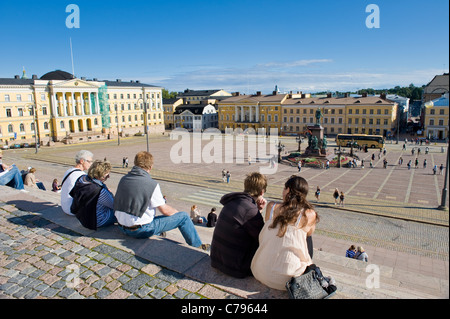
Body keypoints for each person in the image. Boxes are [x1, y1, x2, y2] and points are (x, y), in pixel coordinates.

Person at [114, 151, 209, 250]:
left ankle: (159, 233)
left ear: (135, 163)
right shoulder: (151, 184)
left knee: (152, 216)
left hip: (121, 227)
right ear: (150, 167)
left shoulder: (124, 179)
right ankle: (197, 246)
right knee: (184, 217)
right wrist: (177, 214)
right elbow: (165, 210)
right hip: (139, 231)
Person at [250, 175, 319, 290]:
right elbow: (309, 233)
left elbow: (269, 233)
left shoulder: (272, 206)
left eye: (284, 189)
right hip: (289, 281)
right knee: (307, 236)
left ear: (288, 190)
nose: (282, 192)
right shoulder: (310, 214)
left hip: (259, 271)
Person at [210, 172, 267, 278]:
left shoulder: (233, 201)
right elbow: (262, 237)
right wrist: (259, 212)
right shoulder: (250, 210)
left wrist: (257, 210)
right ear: (261, 192)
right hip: (236, 268)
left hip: (216, 260)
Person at [70, 160, 117, 230]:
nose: (109, 177)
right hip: (96, 221)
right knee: (122, 213)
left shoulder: (82, 179)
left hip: (82, 217)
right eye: (106, 175)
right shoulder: (100, 191)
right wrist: (109, 193)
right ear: (99, 176)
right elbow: (114, 205)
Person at [61, 150, 94, 216]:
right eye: (89, 162)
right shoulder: (81, 176)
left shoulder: (69, 171)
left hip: (65, 206)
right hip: (73, 209)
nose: (91, 164)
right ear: (82, 161)